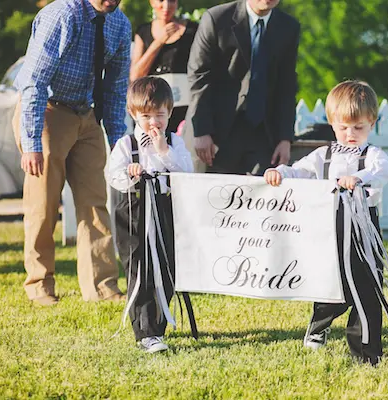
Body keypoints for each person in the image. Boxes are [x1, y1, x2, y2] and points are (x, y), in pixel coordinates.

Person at [264, 80, 388, 365]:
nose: (350, 134)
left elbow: (383, 171)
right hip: (328, 226)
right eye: (343, 127)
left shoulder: (372, 156)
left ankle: (367, 351)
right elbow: (299, 171)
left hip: (362, 227)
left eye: (358, 128)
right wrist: (279, 172)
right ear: (332, 123)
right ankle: (319, 325)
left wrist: (358, 179)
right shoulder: (323, 155)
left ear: (371, 123)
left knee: (368, 285)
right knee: (332, 284)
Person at [12, 0, 131, 305]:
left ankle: (102, 287)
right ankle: (40, 284)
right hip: (48, 112)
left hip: (86, 116)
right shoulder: (63, 14)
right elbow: (35, 82)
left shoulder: (120, 24)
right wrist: (33, 142)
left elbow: (116, 89)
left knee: (95, 202)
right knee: (43, 204)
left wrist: (121, 145)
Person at [106, 76, 193, 353]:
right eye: (146, 116)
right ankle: (144, 332)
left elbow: (186, 172)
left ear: (169, 113)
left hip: (165, 209)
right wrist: (130, 175)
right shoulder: (126, 144)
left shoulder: (175, 143)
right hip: (133, 212)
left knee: (166, 268)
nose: (153, 122)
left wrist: (163, 152)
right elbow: (113, 175)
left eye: (160, 115)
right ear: (133, 114)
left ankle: (159, 324)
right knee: (140, 269)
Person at [185, 0, 300, 175]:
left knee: (263, 198)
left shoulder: (289, 27)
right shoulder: (216, 19)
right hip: (216, 131)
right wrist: (202, 131)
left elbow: (287, 85)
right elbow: (199, 77)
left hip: (263, 133)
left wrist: (285, 138)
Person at [130, 0, 198, 135]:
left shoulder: (193, 30)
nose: (166, 6)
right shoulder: (143, 31)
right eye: (161, 0)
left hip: (185, 109)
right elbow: (135, 75)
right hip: (152, 111)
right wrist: (159, 42)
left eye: (171, 1)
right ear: (152, 2)